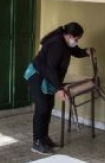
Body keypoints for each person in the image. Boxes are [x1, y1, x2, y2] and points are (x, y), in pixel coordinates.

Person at [24, 22, 94, 155]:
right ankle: (37, 142)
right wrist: (59, 89)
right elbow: (50, 69)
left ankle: (44, 138)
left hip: (47, 76)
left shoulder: (65, 42)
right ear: (70, 35)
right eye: (77, 39)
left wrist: (85, 52)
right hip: (37, 76)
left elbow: (75, 50)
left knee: (48, 106)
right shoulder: (57, 44)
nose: (76, 41)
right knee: (42, 108)